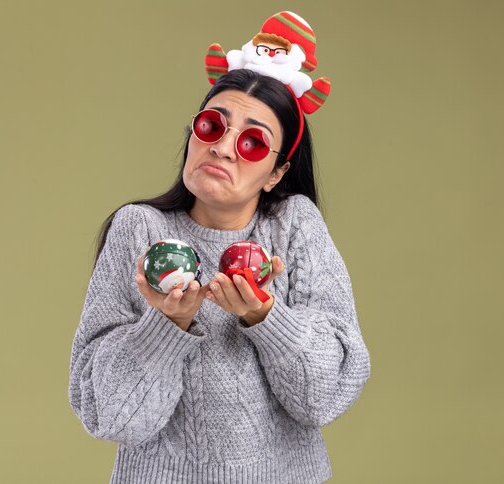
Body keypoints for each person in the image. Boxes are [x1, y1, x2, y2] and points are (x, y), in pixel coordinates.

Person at [68, 13, 370, 484]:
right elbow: (112, 417)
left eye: (253, 142)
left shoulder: (294, 226)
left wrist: (267, 318)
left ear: (276, 173)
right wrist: (166, 325)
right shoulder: (139, 229)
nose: (224, 148)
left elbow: (324, 398)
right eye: (213, 125)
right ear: (193, 133)